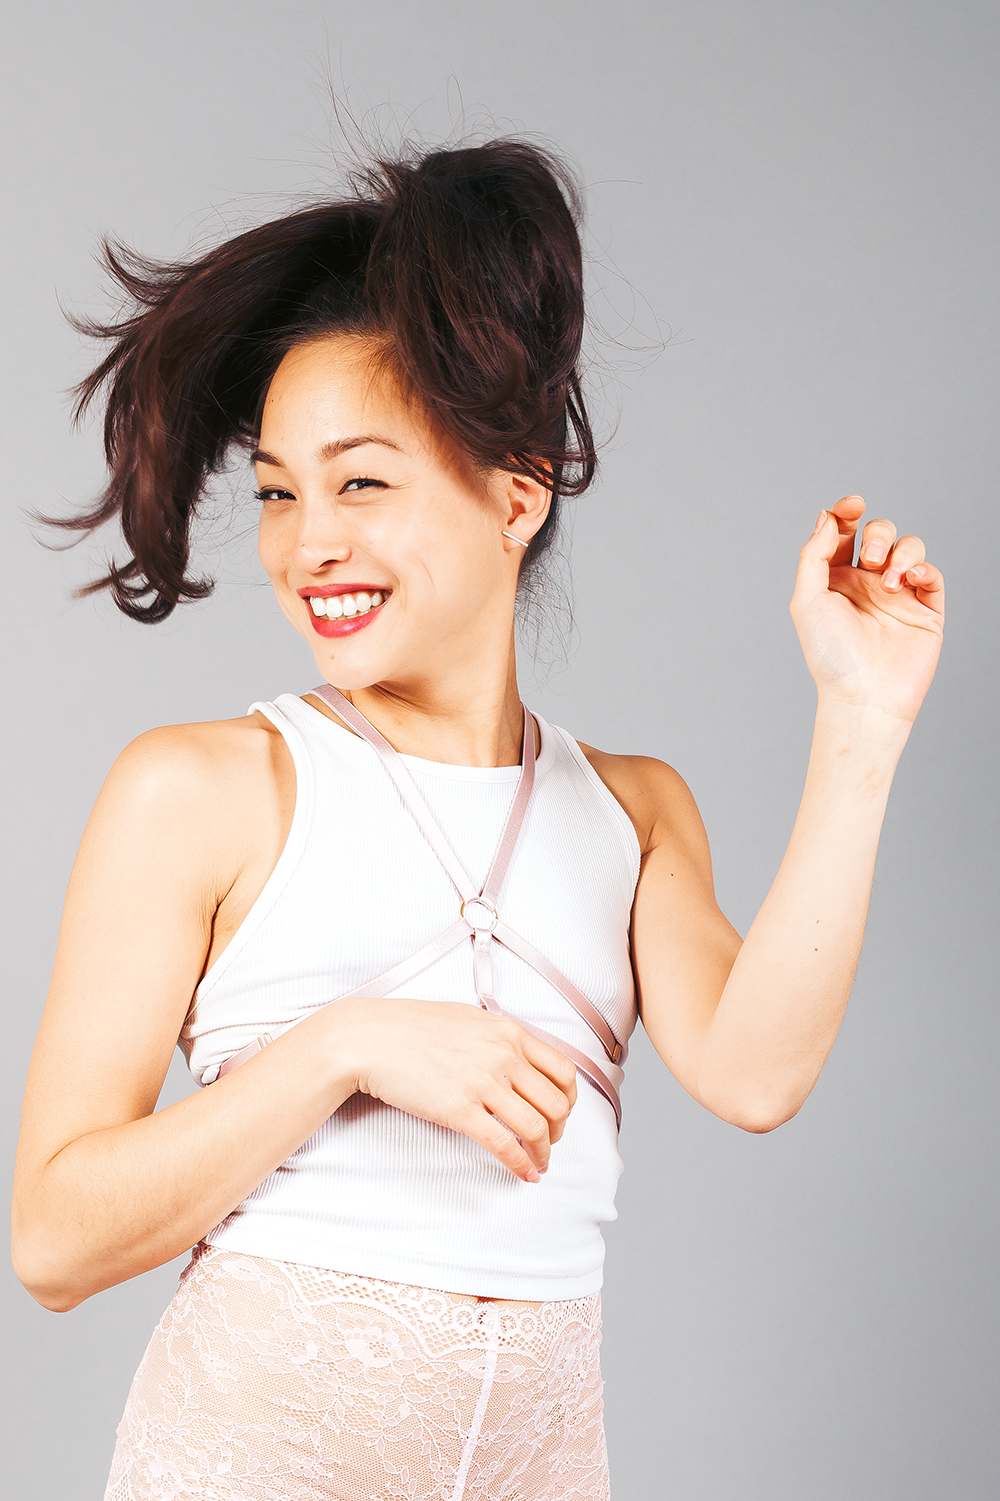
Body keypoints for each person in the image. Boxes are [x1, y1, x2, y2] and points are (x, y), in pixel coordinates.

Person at [11, 138, 944, 1501]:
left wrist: (863, 723)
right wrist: (347, 1047)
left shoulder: (630, 808)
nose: (307, 542)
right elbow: (52, 1237)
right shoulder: (204, 787)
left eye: (362, 482)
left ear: (517, 494)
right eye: (278, 491)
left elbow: (756, 1076)